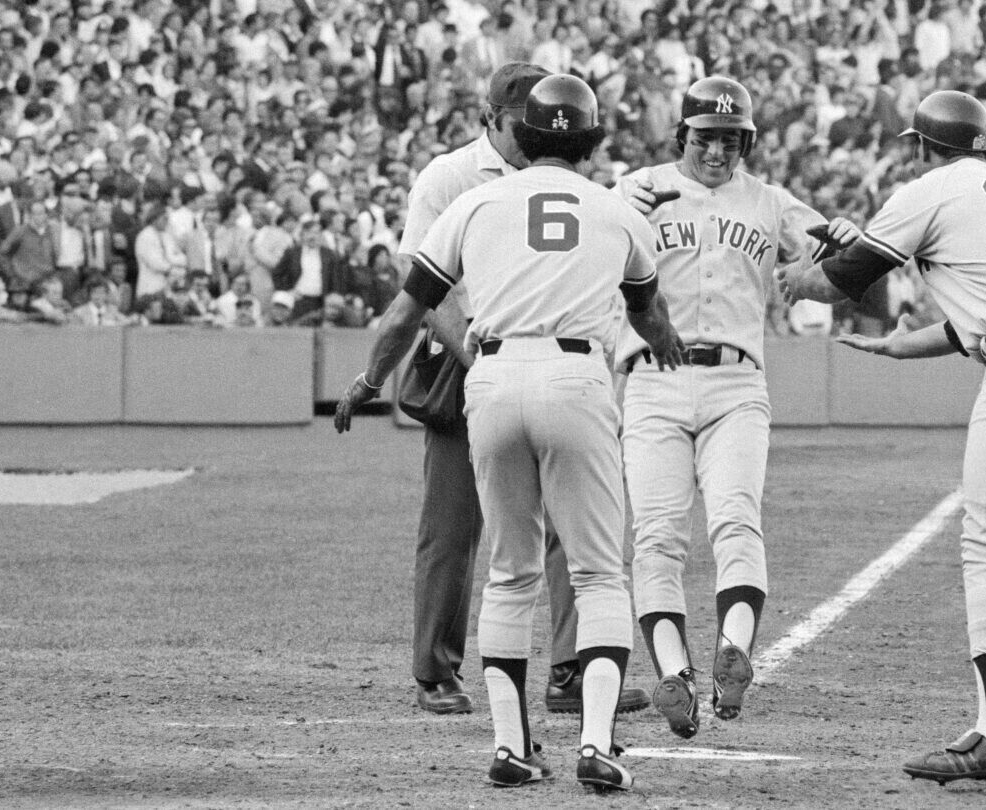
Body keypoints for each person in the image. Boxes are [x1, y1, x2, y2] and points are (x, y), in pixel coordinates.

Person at [336, 74, 684, 793]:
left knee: (508, 569)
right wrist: (670, 342)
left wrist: (370, 381)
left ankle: (508, 746)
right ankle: (593, 741)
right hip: (575, 377)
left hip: (489, 378)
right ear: (591, 140)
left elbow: (406, 314)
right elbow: (648, 313)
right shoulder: (615, 210)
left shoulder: (474, 200)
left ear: (519, 134)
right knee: (595, 571)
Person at [779, 90, 986, 792]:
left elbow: (842, 281)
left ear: (921, 145)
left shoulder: (931, 186)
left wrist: (794, 276)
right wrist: (903, 347)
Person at [381, 62, 648, 720]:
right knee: (453, 527)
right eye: (516, 121)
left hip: (519, 363)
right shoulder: (449, 176)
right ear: (491, 120)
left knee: (565, 528)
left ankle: (568, 668)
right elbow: (417, 282)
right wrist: (471, 348)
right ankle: (435, 670)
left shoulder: (556, 178)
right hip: (464, 357)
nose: (527, 132)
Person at [616, 75, 861, 739]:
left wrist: (845, 240)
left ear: (746, 141)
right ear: (683, 137)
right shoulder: (638, 190)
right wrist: (615, 203)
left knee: (733, 520)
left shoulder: (772, 202)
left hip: (736, 383)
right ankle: (674, 674)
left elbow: (841, 274)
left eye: (730, 139)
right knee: (659, 535)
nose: (718, 151)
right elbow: (590, 252)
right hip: (653, 378)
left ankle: (733, 654)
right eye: (706, 138)